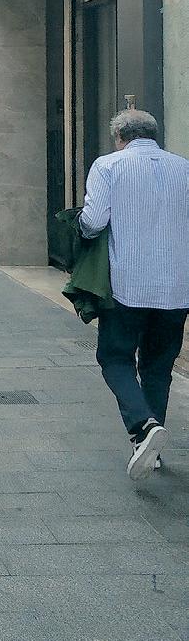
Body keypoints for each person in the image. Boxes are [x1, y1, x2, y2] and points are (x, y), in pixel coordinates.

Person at [80, 109, 189, 480]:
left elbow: (94, 221)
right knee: (158, 367)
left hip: (128, 284)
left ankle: (143, 426)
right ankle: (150, 450)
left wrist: (80, 226)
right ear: (154, 134)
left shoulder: (109, 166)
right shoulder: (183, 168)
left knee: (114, 357)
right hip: (176, 286)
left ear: (119, 137)